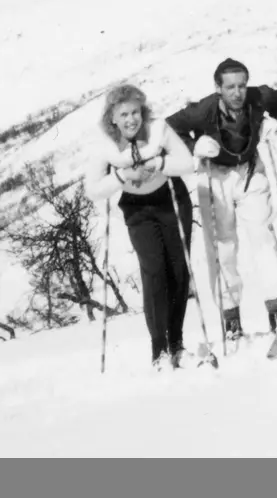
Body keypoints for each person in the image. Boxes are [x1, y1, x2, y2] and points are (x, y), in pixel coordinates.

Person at [166, 58, 277, 341]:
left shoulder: (258, 98)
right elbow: (170, 128)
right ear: (218, 87)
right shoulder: (203, 110)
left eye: (242, 85)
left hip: (248, 171)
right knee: (223, 247)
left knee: (264, 238)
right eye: (230, 87)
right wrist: (193, 145)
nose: (237, 92)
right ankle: (231, 318)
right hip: (215, 175)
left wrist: (274, 121)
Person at [85, 84, 197, 370]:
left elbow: (186, 162)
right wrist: (122, 176)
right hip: (138, 210)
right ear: (112, 118)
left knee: (178, 270)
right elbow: (94, 189)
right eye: (123, 114)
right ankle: (159, 349)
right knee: (154, 271)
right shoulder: (105, 144)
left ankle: (177, 345)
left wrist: (160, 162)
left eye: (135, 112)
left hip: (172, 200)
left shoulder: (159, 129)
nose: (131, 119)